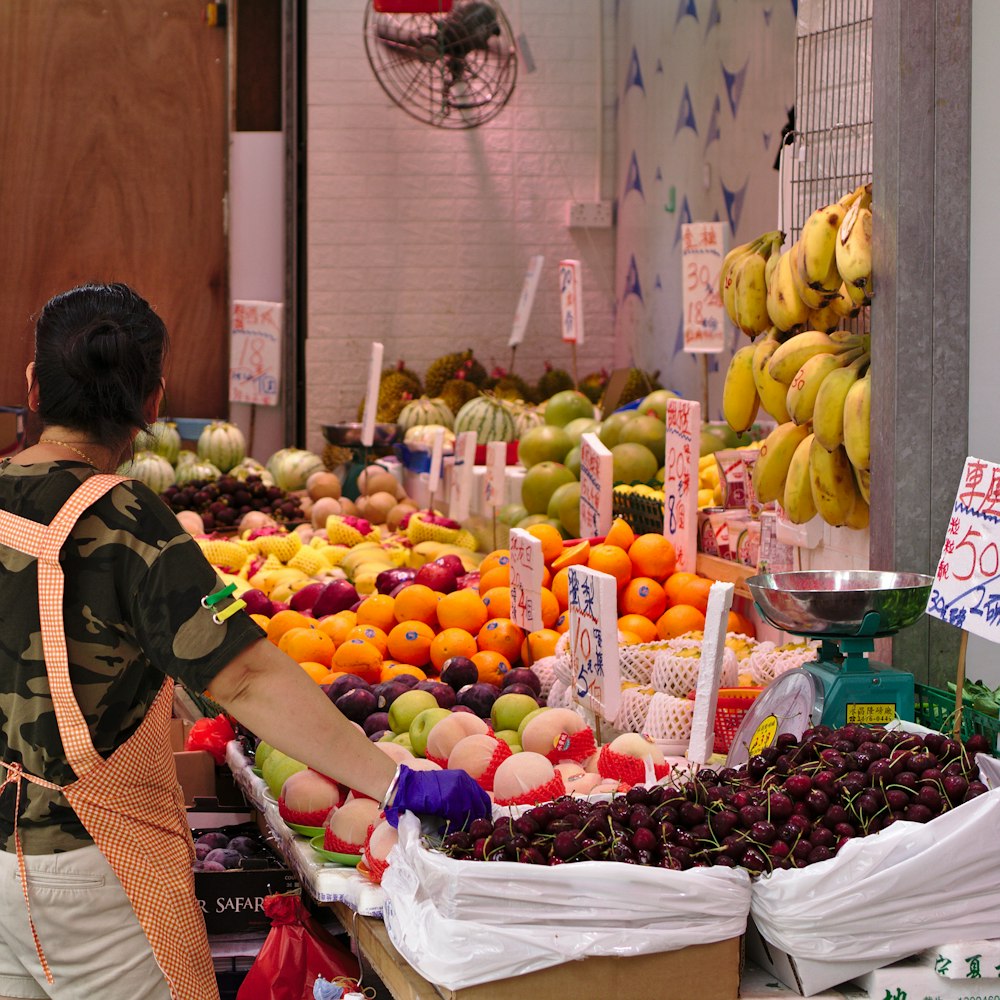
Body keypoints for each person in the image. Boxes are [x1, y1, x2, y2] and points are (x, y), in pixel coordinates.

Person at [0, 283, 490, 1000]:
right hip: (96, 870)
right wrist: (392, 781)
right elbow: (245, 677)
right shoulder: (128, 521)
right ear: (154, 403)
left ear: (33, 383)